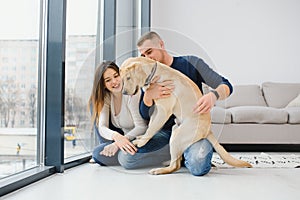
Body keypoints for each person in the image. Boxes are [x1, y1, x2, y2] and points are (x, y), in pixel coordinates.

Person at [118, 31, 233, 176]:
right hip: (164, 133)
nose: (147, 58)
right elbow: (144, 115)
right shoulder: (146, 74)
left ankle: (185, 151)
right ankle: (175, 152)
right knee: (126, 159)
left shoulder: (191, 63)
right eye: (143, 56)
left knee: (199, 164)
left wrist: (213, 95)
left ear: (161, 45)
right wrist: (148, 96)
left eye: (149, 52)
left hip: (191, 129)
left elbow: (226, 85)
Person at [88, 61, 148, 166]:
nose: (115, 82)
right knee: (95, 103)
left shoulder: (132, 92)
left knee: (100, 155)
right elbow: (102, 127)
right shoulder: (107, 97)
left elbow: (142, 127)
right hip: (121, 137)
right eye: (108, 80)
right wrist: (116, 137)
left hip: (137, 138)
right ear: (103, 85)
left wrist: (118, 143)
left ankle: (112, 151)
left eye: (116, 76)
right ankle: (108, 149)